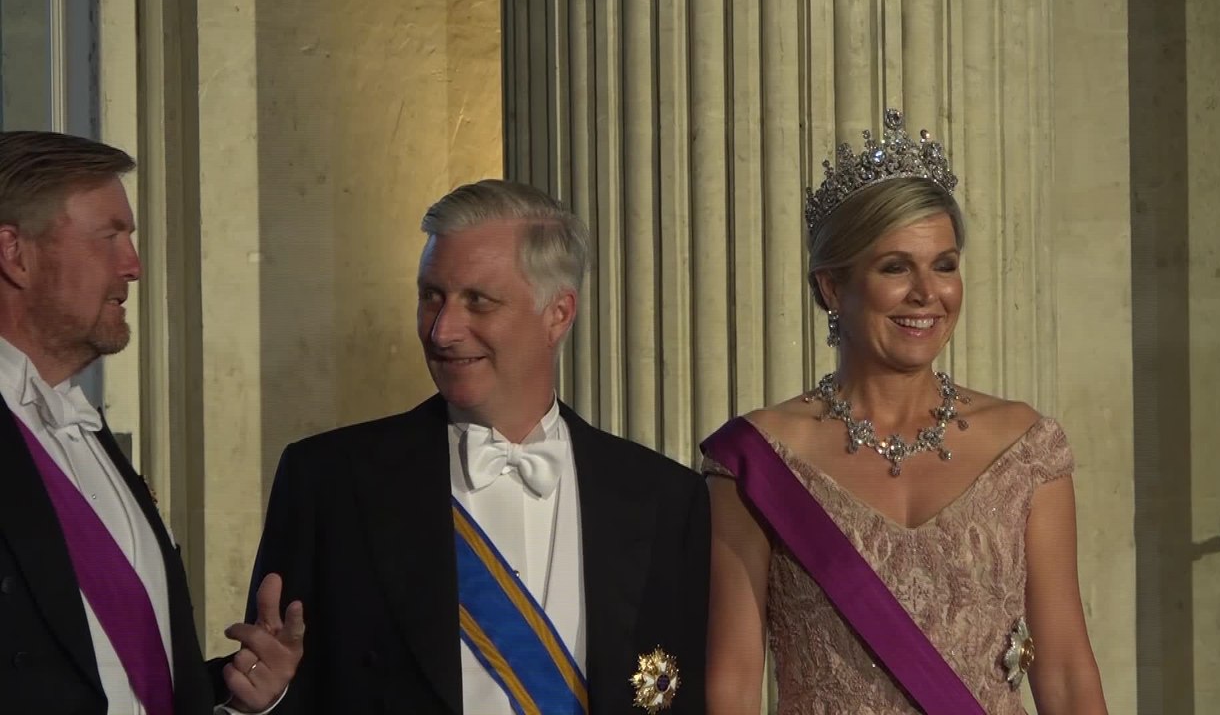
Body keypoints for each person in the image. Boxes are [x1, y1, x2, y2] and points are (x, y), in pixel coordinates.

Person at [243, 179, 709, 714]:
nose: (442, 331)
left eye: (478, 302)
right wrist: (263, 702)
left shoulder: (666, 499)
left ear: (558, 313)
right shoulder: (329, 482)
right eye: (431, 297)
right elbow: (273, 677)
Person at [700, 109, 1108, 715]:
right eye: (895, 267)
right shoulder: (757, 459)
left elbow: (1068, 674)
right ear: (832, 287)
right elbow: (732, 688)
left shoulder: (1025, 448)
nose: (927, 293)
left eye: (944, 265)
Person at [0, 130, 305, 714]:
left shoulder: (86, 431)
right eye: (109, 237)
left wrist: (237, 693)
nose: (133, 266)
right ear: (15, 253)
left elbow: (120, 676)